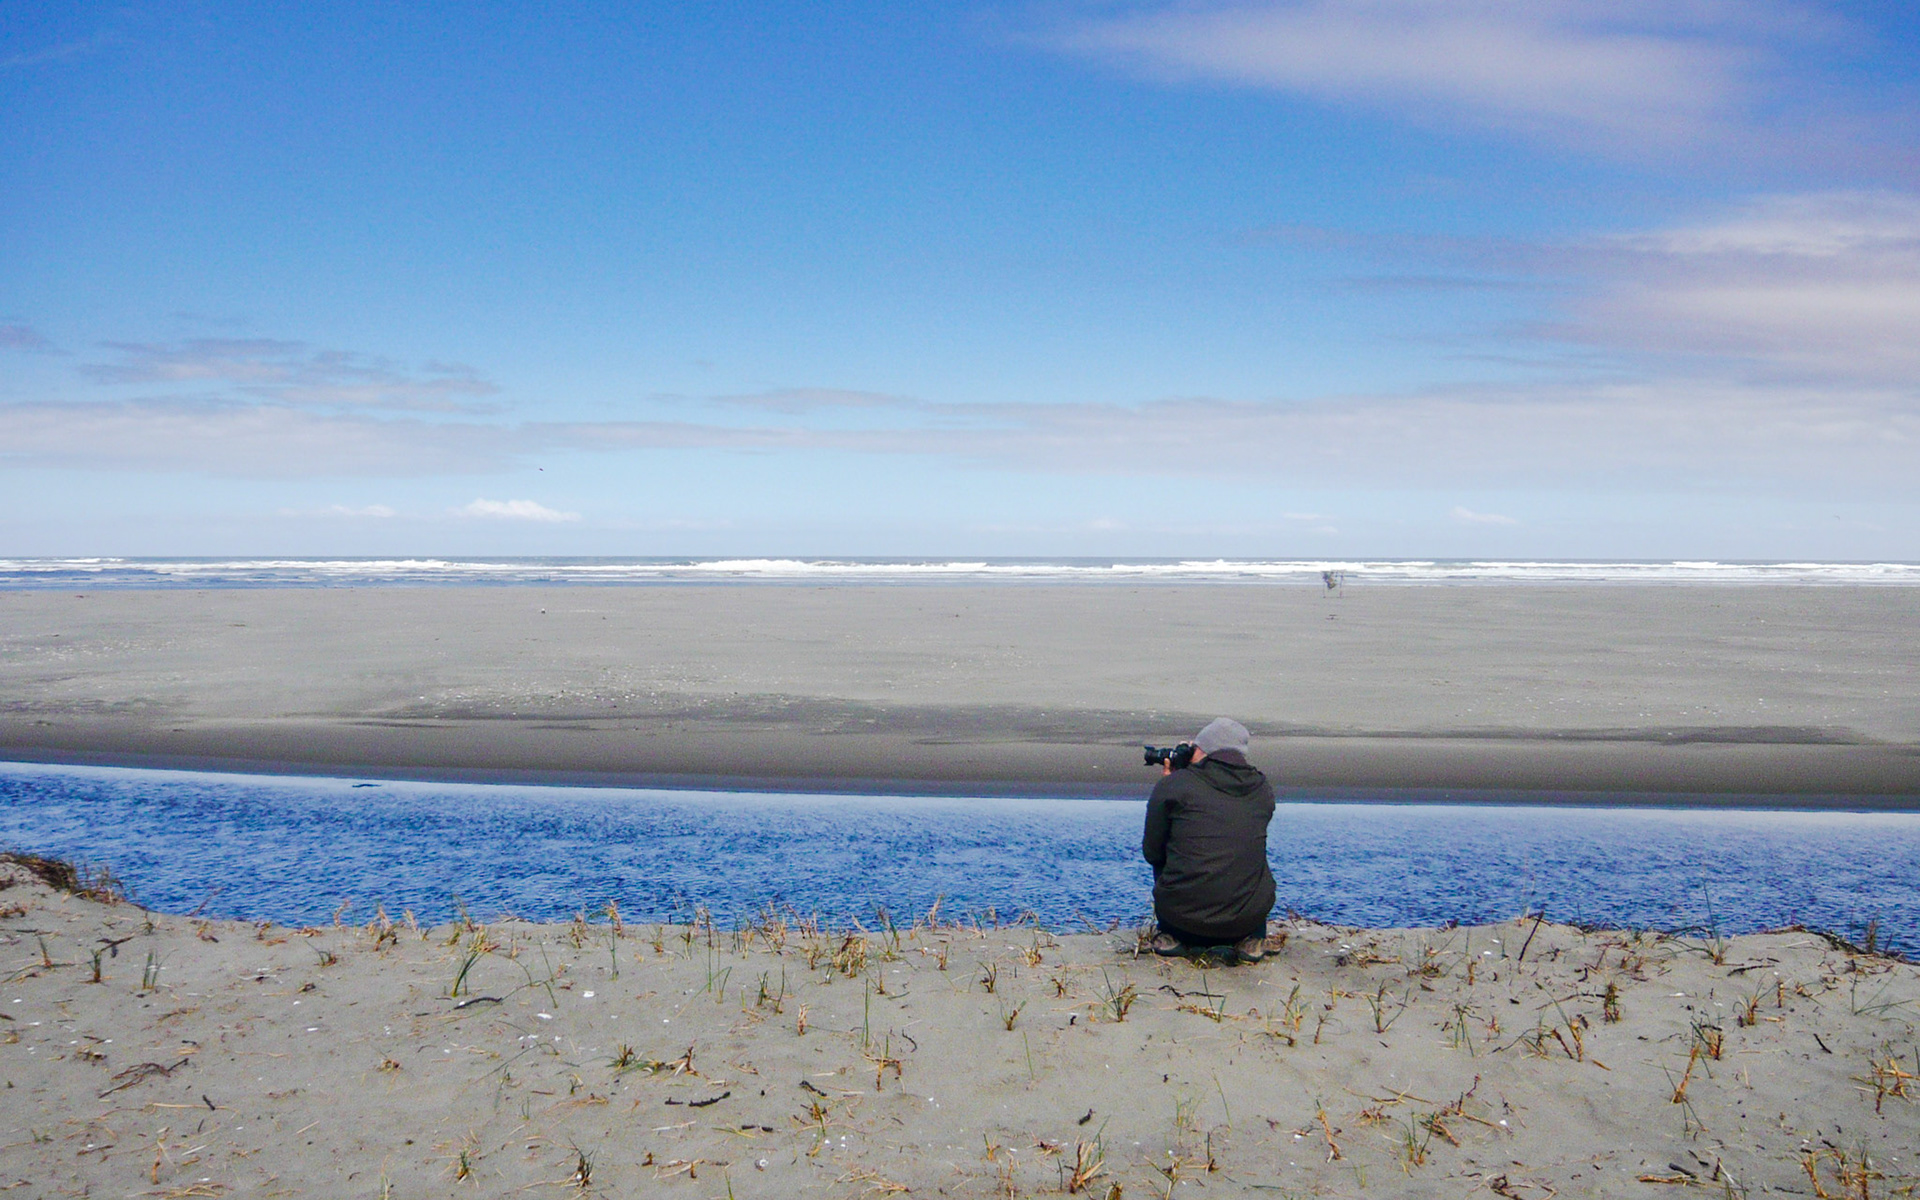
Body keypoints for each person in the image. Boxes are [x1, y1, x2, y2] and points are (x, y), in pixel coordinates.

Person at [1142, 717, 1277, 962]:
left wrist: (1169, 783)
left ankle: (1170, 936)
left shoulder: (1174, 785)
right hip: (1245, 922)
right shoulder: (1262, 788)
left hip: (1183, 922)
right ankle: (1252, 940)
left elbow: (1152, 852)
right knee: (1245, 851)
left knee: (1167, 852)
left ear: (1202, 751)